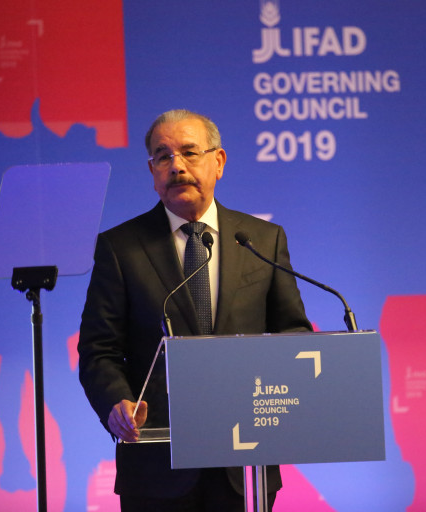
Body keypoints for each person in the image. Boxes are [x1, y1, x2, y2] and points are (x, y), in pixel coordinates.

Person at [78, 109, 312, 511]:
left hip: (245, 464)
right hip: (156, 467)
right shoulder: (121, 248)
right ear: (152, 171)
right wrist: (117, 403)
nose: (177, 166)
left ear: (218, 162)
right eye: (163, 156)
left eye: (189, 152)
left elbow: (293, 334)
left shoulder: (261, 240)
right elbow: (99, 349)